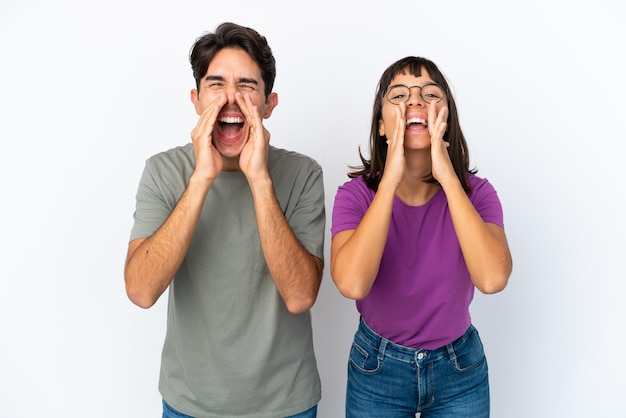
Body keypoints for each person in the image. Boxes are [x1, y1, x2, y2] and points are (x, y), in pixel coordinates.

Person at [124, 22, 325, 418]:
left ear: (270, 104)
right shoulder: (164, 171)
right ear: (196, 100)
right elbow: (141, 291)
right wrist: (201, 177)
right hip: (189, 405)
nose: (231, 99)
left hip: (286, 405)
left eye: (247, 85)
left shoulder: (303, 174)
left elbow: (301, 296)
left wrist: (259, 178)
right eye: (216, 85)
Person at [330, 56, 513, 417]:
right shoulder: (355, 196)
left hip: (460, 367)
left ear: (447, 119)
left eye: (430, 94)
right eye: (398, 95)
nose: (414, 100)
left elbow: (492, 279)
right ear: (382, 126)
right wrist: (390, 179)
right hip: (377, 367)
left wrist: (447, 176)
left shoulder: (478, 194)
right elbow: (352, 284)